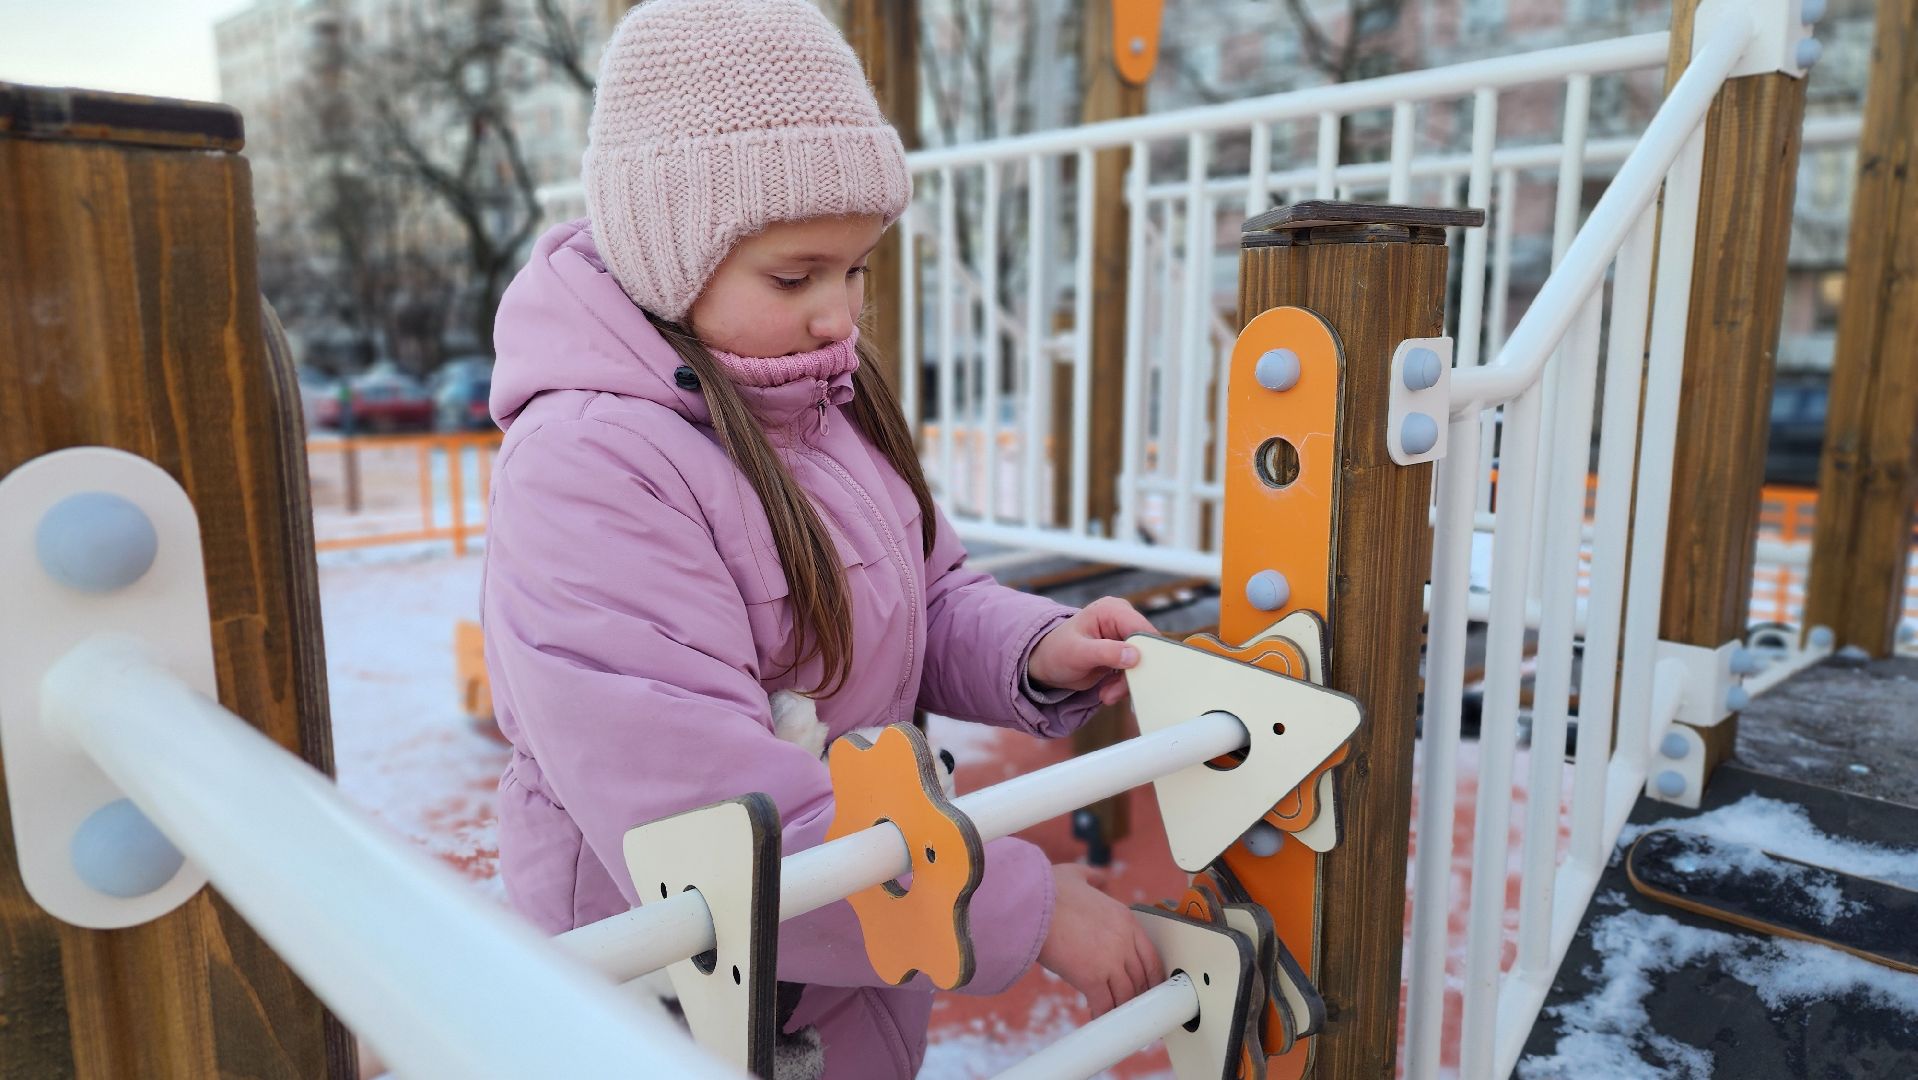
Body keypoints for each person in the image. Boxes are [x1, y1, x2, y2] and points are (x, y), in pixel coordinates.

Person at [480, 1, 1165, 1076]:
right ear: (666, 258)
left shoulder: (817, 403)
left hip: (845, 940)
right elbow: (702, 823)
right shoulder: (590, 469)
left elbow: (927, 597)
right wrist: (1012, 906)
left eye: (857, 271)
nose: (839, 315)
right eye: (795, 277)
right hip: (685, 992)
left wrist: (1036, 650)